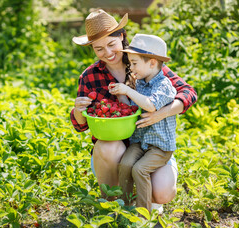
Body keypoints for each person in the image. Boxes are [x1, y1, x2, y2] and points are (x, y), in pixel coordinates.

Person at [70, 9, 197, 212]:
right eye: (99, 49)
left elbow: (188, 92)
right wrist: (78, 110)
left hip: (151, 145)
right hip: (112, 156)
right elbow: (79, 125)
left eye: (111, 44)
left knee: (163, 193)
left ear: (121, 36)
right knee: (110, 148)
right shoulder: (91, 76)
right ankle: (115, 200)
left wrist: (161, 112)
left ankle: (144, 194)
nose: (108, 53)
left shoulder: (143, 60)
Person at [109, 33, 176, 211]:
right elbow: (133, 108)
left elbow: (151, 105)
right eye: (130, 63)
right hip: (140, 142)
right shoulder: (139, 84)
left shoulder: (164, 85)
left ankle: (143, 215)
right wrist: (121, 93)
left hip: (160, 147)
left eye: (135, 63)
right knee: (125, 164)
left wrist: (127, 90)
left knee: (140, 169)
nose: (131, 67)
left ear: (152, 62)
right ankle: (124, 207)